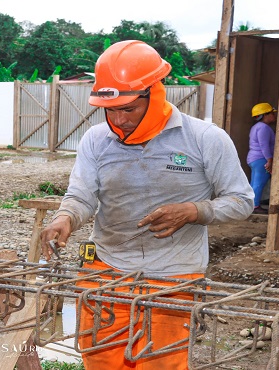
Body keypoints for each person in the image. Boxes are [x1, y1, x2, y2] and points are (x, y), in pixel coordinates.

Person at [40, 40, 254, 369]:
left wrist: (195, 211)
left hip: (173, 278)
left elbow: (242, 202)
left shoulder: (205, 139)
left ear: (154, 94)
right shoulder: (96, 140)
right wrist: (65, 218)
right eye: (110, 110)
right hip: (105, 271)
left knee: (160, 363)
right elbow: (82, 195)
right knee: (101, 360)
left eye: (128, 108)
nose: (119, 119)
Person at [247, 102, 277, 214]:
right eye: (272, 114)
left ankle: (251, 205)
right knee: (259, 183)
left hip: (255, 159)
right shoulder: (264, 128)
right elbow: (264, 145)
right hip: (261, 159)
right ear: (265, 115)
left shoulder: (256, 127)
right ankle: (255, 206)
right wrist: (269, 160)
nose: (274, 116)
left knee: (254, 183)